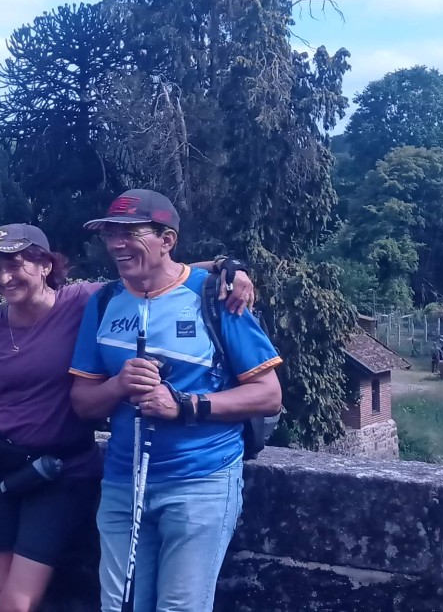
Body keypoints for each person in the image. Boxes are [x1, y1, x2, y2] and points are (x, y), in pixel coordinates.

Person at [0, 224, 257, 612]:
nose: (4, 278)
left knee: (18, 602)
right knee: (3, 588)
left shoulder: (83, 301)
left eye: (15, 265)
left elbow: (156, 270)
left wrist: (226, 268)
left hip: (57, 469)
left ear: (45, 266)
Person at [68, 191, 284, 612]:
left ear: (167, 240)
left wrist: (186, 405)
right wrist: (118, 386)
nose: (116, 244)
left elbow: (269, 395)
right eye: (110, 234)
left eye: (130, 233)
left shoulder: (217, 296)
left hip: (200, 480)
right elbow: (82, 403)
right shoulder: (104, 301)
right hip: (123, 483)